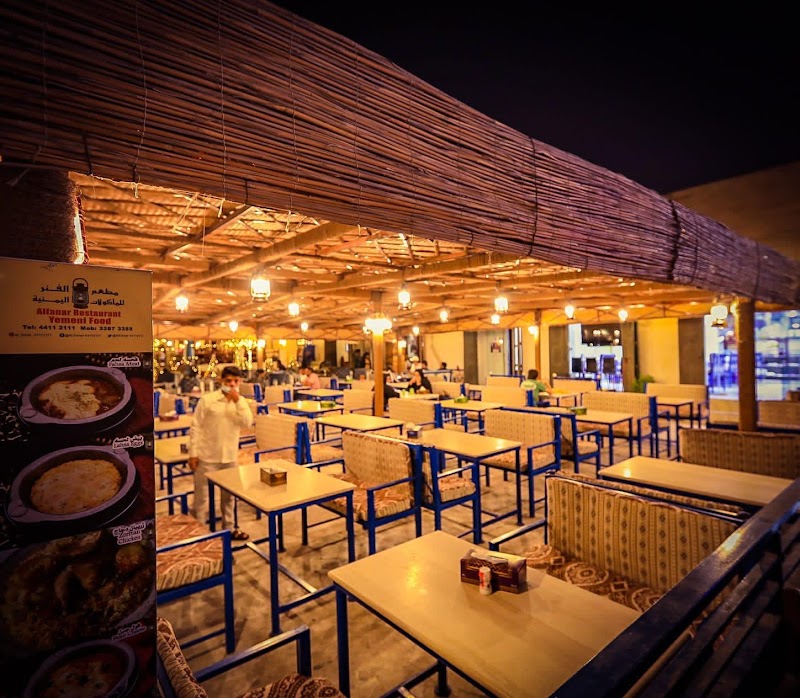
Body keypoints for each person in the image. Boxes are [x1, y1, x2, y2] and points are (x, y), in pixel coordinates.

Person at [188, 365, 253, 541]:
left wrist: (238, 401)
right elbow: (196, 427)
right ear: (221, 381)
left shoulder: (241, 402)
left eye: (235, 381)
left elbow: (248, 422)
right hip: (206, 455)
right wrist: (193, 453)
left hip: (229, 456)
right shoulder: (208, 400)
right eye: (228, 381)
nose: (232, 384)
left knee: (229, 497)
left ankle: (229, 528)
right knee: (201, 497)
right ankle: (199, 533)